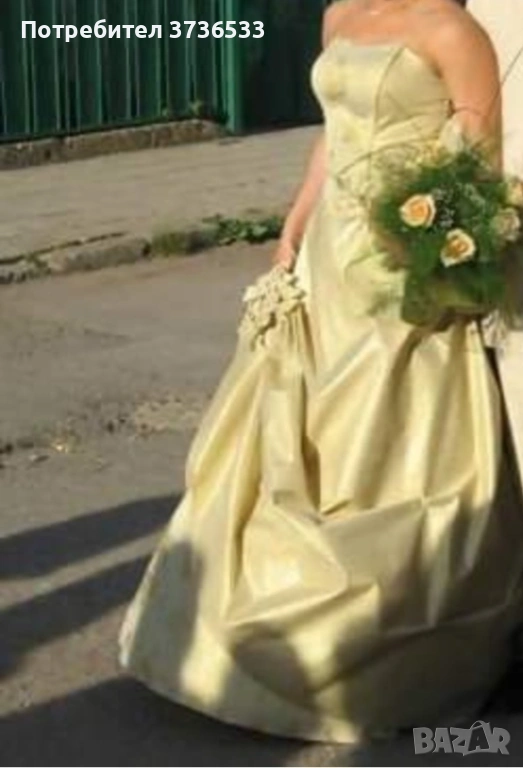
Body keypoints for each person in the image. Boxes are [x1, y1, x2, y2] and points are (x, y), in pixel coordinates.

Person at [119, 0, 523, 744]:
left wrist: (434, 256)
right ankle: (235, 628)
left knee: (385, 421)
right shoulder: (340, 12)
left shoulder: (449, 26)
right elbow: (331, 137)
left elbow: (477, 157)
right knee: (291, 419)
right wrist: (293, 226)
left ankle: (384, 652)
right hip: (329, 253)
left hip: (399, 257)